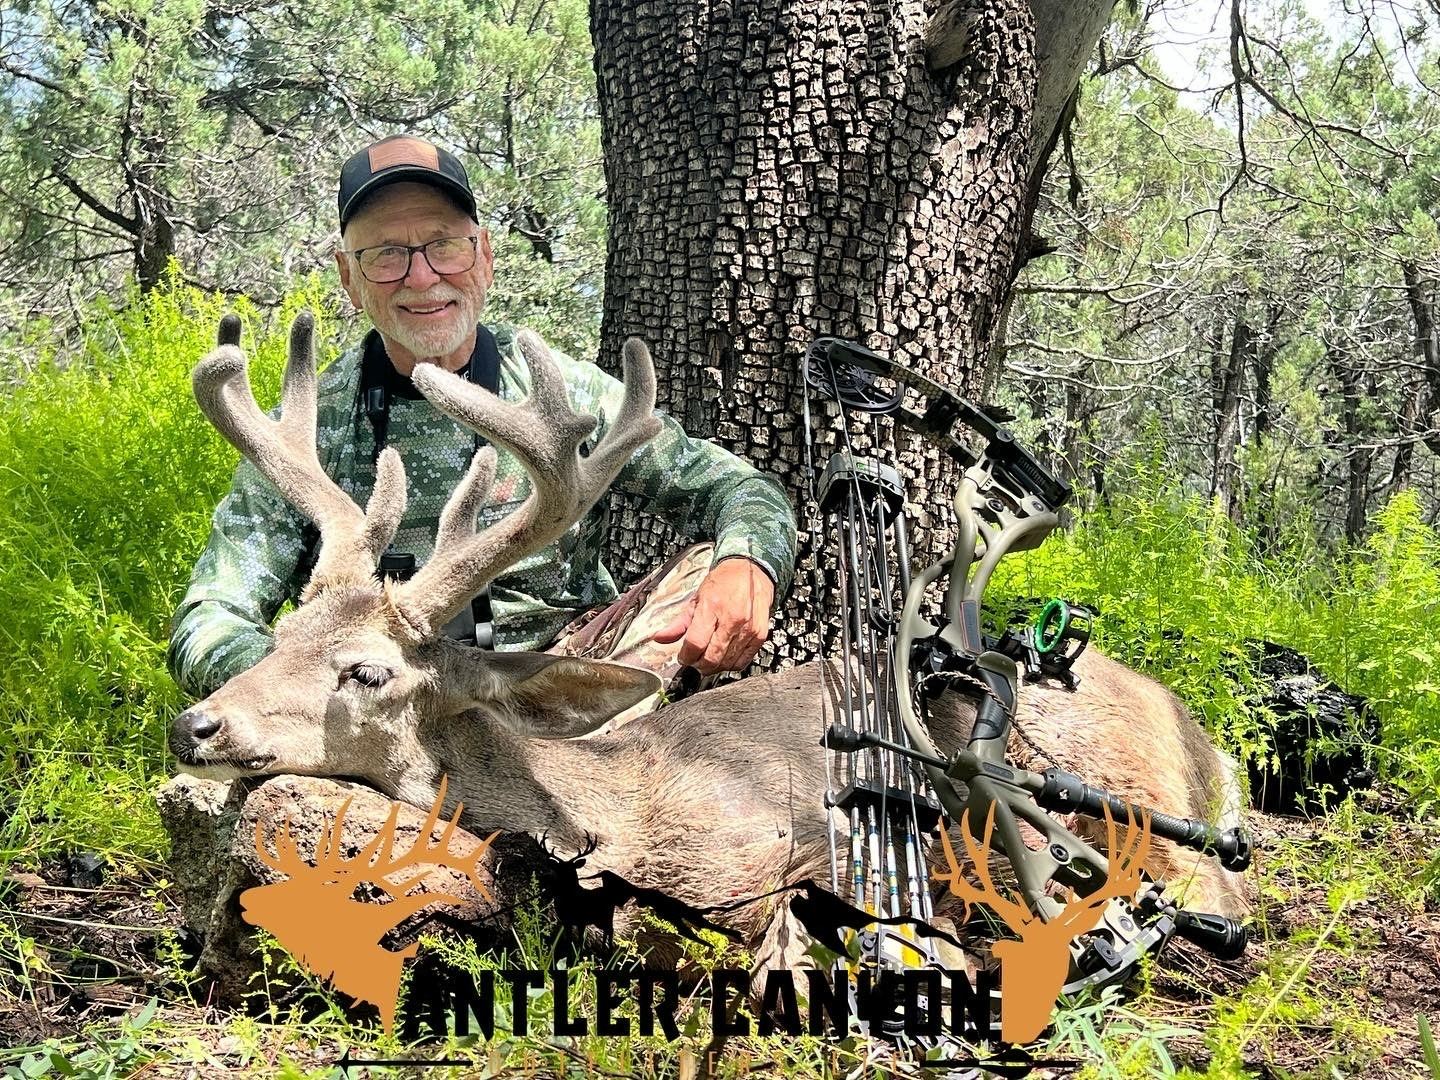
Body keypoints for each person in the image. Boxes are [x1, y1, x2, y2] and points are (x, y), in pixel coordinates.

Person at [168, 134, 797, 714]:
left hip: (548, 687)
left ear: (484, 256)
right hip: (377, 710)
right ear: (349, 279)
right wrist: (304, 678)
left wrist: (749, 564)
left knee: (704, 571)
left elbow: (741, 490)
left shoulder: (562, 394)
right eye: (386, 255)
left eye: (443, 245)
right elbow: (208, 619)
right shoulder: (312, 431)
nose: (422, 277)